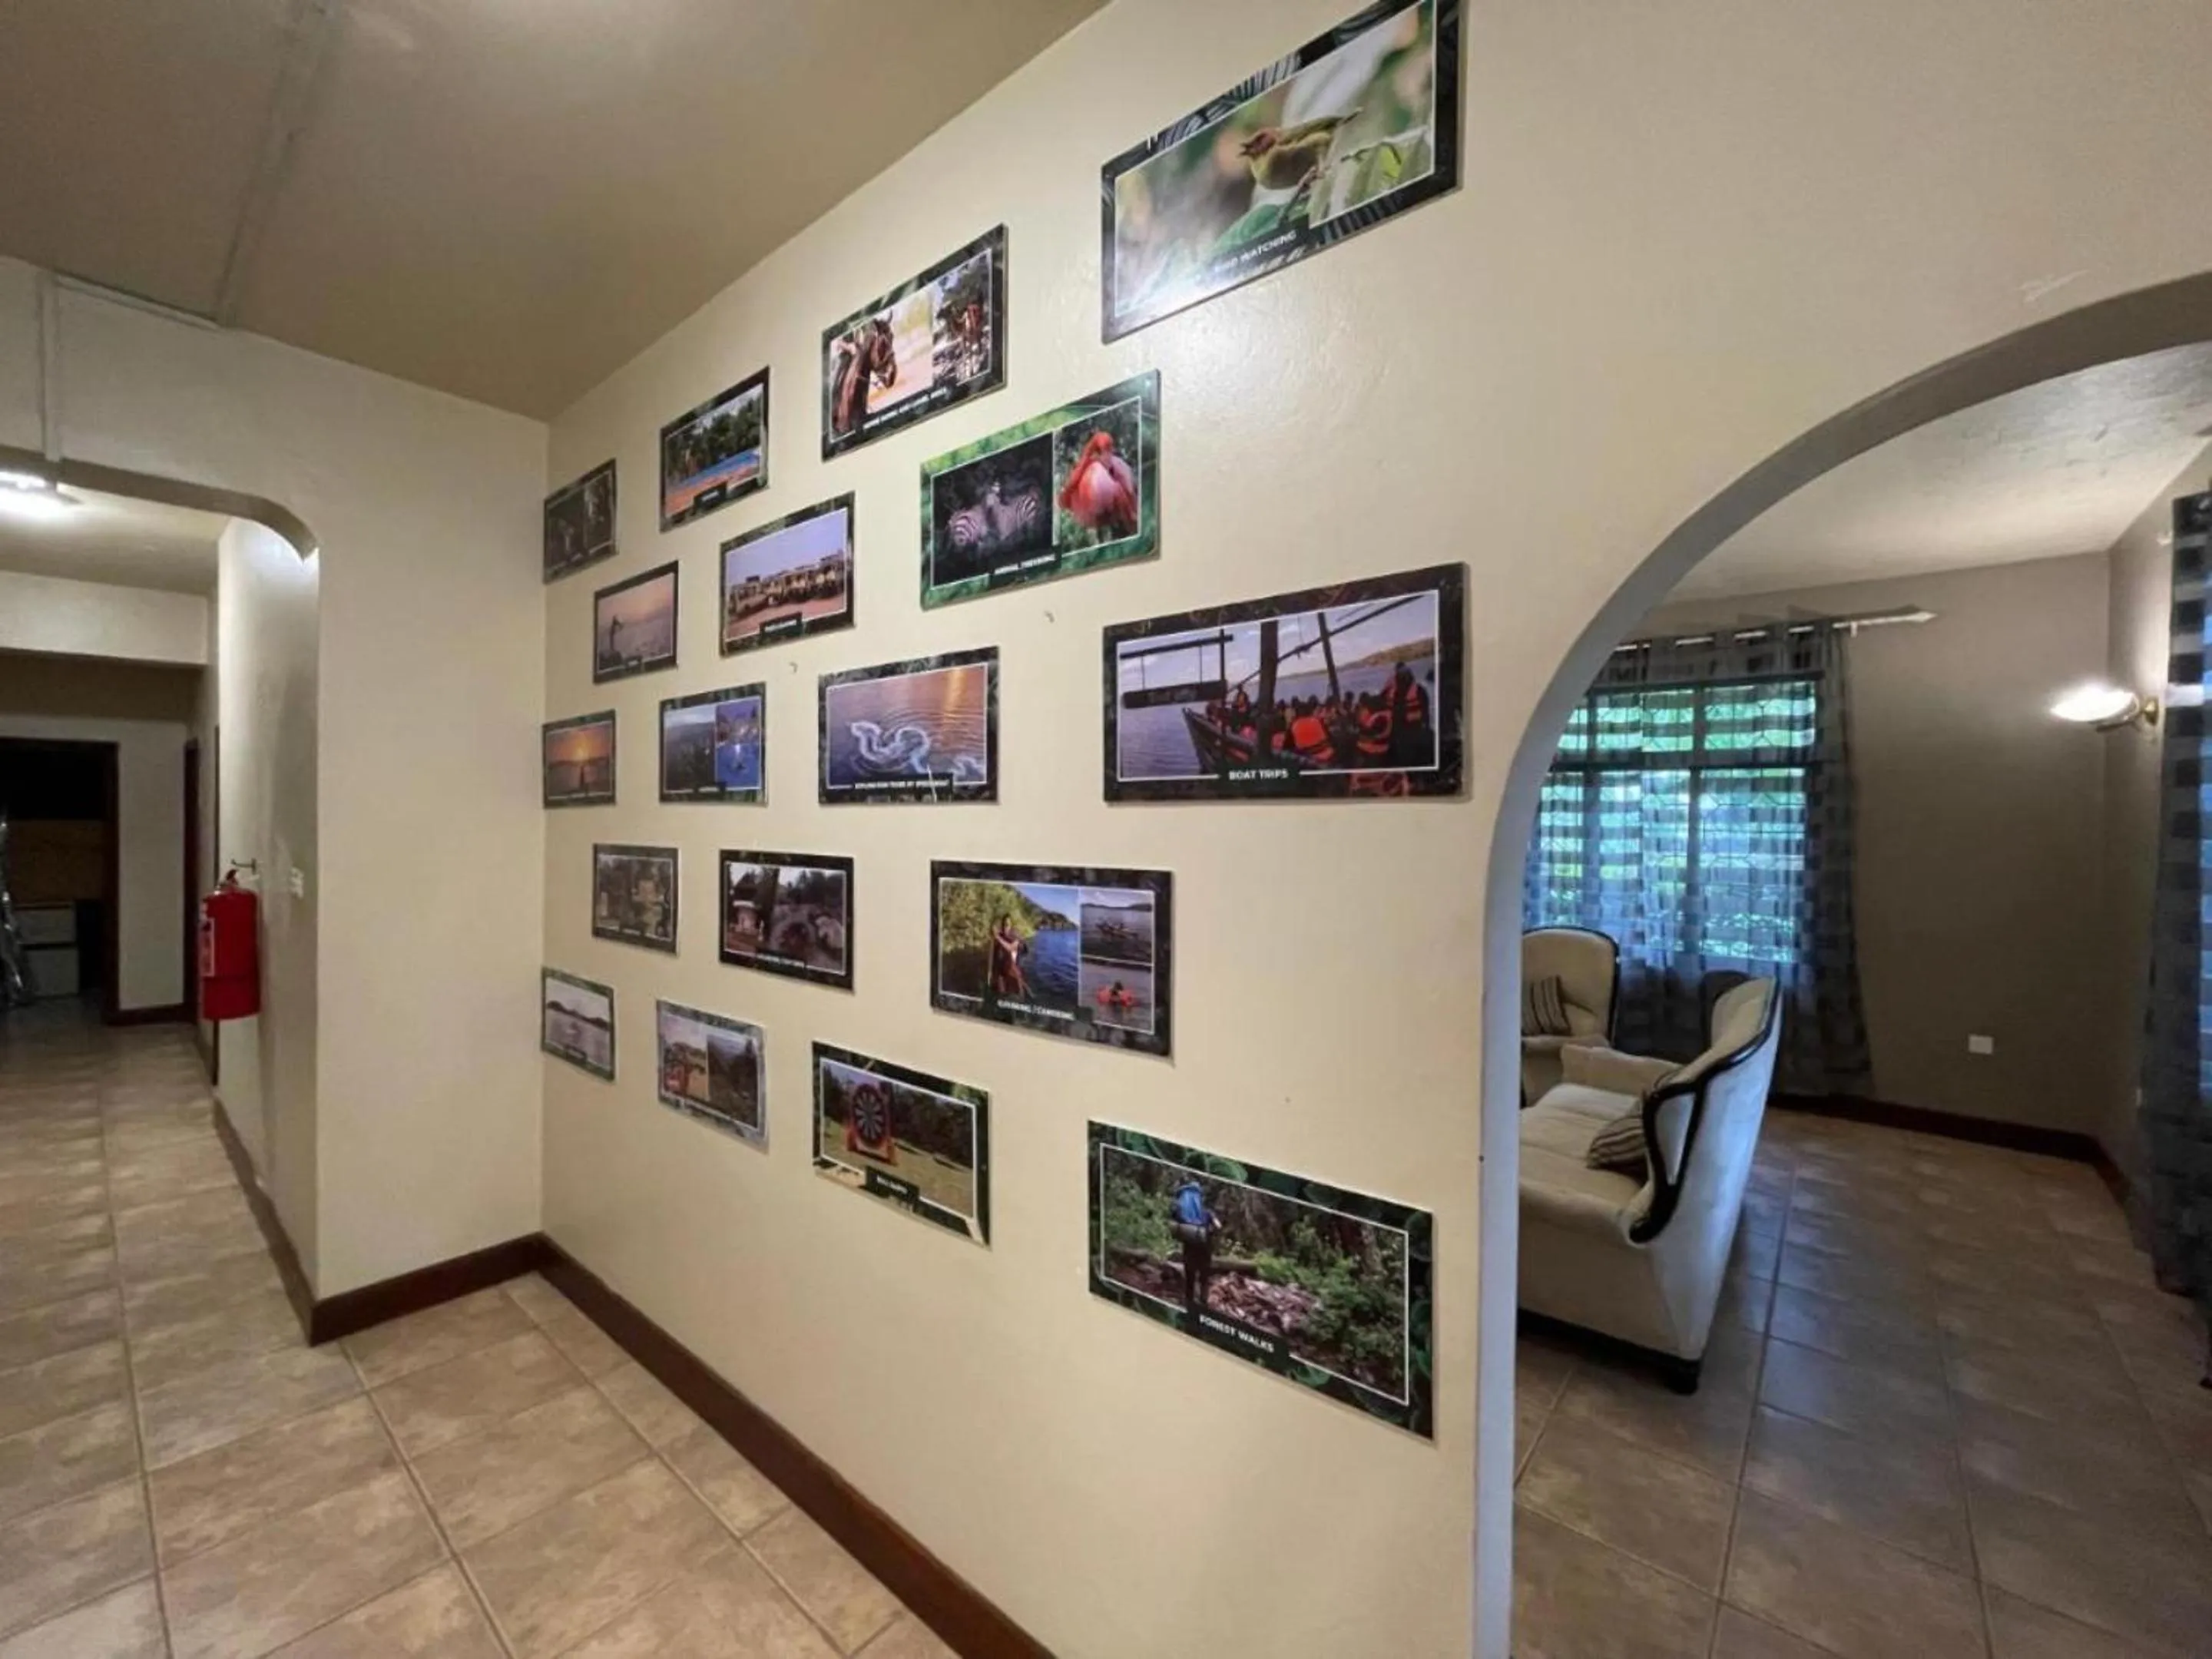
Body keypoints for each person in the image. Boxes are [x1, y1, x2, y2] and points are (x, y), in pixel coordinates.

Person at [1169, 1178, 1220, 1316]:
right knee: (1204, 1277)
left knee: (1190, 1278)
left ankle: (1189, 1305)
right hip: (1205, 1249)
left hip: (1189, 1250)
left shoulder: (1181, 1212)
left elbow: (1173, 1223)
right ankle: (1204, 1304)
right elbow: (1218, 1226)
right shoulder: (1207, 1212)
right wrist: (1209, 1231)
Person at [987, 917, 1027, 1003]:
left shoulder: (1016, 938)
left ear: (1011, 926)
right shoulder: (999, 938)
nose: (1005, 927)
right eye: (1003, 925)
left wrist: (997, 937)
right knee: (1000, 998)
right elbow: (992, 956)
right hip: (1002, 974)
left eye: (1007, 925)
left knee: (1018, 999)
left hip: (1013, 974)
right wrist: (989, 973)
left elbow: (1010, 948)